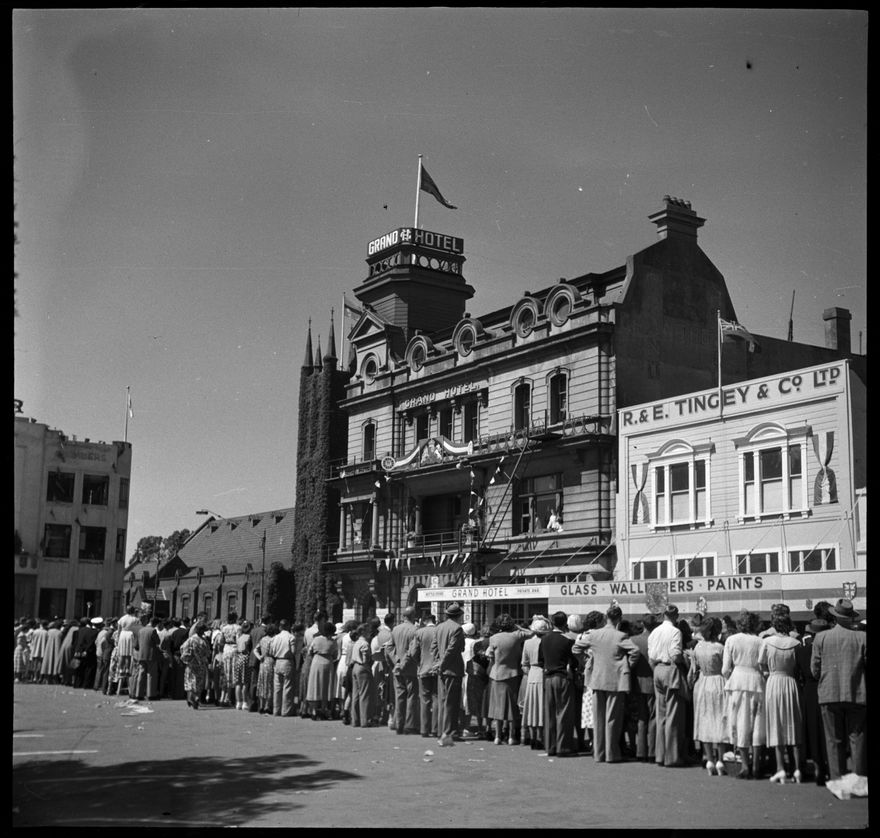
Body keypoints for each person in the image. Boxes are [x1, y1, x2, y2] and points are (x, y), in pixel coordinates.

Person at [573, 604, 640, 763]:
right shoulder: (620, 636)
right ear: (619, 618)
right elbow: (635, 652)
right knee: (612, 719)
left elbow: (576, 648)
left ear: (606, 617)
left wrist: (587, 661)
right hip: (615, 681)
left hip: (596, 679)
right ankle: (611, 754)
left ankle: (599, 753)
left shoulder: (594, 635)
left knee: (598, 719)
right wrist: (627, 666)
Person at [810, 598, 866, 780]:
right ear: (850, 618)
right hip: (856, 692)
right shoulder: (862, 637)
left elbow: (814, 670)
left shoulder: (821, 637)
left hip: (829, 692)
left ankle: (837, 779)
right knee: (857, 738)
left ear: (835, 616)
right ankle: (857, 778)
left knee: (833, 740)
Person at [760, 612, 804, 783]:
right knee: (793, 724)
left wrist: (768, 674)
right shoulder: (796, 643)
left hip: (774, 682)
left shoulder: (767, 642)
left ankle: (780, 768)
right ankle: (798, 768)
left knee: (776, 724)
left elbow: (761, 664)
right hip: (791, 682)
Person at [722, 609, 766, 779]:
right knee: (757, 724)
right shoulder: (760, 641)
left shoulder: (731, 640)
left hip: (738, 681)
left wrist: (730, 676)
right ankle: (756, 766)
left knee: (740, 722)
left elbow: (725, 669)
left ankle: (745, 766)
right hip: (756, 681)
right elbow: (762, 665)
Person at [648, 604, 687, 768]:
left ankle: (660, 754)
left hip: (657, 669)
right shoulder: (675, 632)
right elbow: (675, 654)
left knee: (661, 714)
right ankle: (671, 756)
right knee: (672, 715)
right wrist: (684, 659)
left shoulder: (655, 632)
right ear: (676, 615)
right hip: (670, 668)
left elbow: (651, 655)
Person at [485, 612, 533, 746]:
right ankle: (511, 736)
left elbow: (490, 654)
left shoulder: (494, 638)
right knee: (512, 706)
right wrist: (517, 626)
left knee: (497, 706)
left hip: (496, 673)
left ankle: (498, 736)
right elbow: (532, 632)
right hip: (512, 673)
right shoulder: (516, 635)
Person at [689, 616, 727, 776]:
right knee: (720, 719)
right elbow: (726, 669)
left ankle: (709, 758)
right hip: (718, 681)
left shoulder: (698, 647)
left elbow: (694, 668)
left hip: (703, 682)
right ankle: (720, 759)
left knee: (705, 719)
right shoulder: (720, 647)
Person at [795, 618, 831, 784]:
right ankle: (830, 766)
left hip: (809, 691)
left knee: (813, 730)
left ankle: (817, 767)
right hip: (827, 688)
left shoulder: (802, 651)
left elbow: (799, 673)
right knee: (828, 730)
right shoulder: (829, 650)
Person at [539, 611, 579, 757]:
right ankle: (563, 747)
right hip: (562, 677)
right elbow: (574, 661)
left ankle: (550, 746)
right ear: (565, 623)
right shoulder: (567, 641)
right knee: (564, 713)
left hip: (548, 677)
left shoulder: (544, 639)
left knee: (549, 712)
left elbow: (540, 660)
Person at [431, 602, 466, 747]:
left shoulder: (439, 627)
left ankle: (442, 731)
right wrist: (442, 664)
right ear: (458, 615)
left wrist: (437, 663)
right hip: (452, 669)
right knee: (451, 703)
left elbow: (434, 647)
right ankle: (448, 733)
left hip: (442, 670)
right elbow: (452, 650)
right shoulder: (457, 629)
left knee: (443, 701)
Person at [385, 606, 420, 735]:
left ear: (404, 616)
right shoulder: (415, 630)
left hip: (398, 669)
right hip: (410, 668)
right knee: (411, 696)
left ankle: (399, 725)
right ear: (413, 616)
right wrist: (404, 662)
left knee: (399, 697)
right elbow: (413, 650)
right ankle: (410, 725)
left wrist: (396, 662)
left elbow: (388, 648)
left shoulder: (395, 629)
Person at [521, 617, 550, 749]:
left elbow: (524, 664)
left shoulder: (527, 643)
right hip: (543, 674)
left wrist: (529, 673)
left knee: (531, 707)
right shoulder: (546, 642)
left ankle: (532, 737)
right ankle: (540, 737)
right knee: (541, 707)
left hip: (532, 674)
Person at [408, 613, 439, 738]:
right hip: (437, 668)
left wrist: (419, 662)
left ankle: (424, 729)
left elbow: (413, 652)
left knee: (424, 700)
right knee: (436, 698)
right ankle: (435, 728)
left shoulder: (419, 632)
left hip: (423, 668)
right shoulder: (439, 631)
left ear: (425, 620)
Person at [306, 620, 339, 720]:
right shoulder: (333, 642)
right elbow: (335, 654)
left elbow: (309, 651)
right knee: (326, 687)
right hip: (328, 662)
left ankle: (315, 710)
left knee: (315, 686)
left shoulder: (316, 640)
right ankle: (325, 709)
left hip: (316, 661)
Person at [300, 610, 327, 718]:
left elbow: (305, 645)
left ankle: (304, 708)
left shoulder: (307, 631)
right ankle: (314, 709)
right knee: (315, 685)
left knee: (306, 683)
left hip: (307, 658)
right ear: (321, 620)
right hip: (316, 657)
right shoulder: (320, 631)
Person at [179, 623, 211, 709]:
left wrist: (186, 658)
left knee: (190, 681)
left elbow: (182, 648)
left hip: (191, 663)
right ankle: (196, 697)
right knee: (199, 682)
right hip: (201, 663)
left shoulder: (191, 639)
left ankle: (191, 697)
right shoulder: (204, 640)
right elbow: (208, 652)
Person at [270, 619, 298, 717]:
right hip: (287, 661)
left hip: (277, 661)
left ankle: (276, 710)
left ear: (280, 627)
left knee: (277, 687)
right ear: (288, 626)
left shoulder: (275, 638)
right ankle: (286, 710)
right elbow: (293, 651)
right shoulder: (291, 637)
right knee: (287, 687)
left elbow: (271, 651)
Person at [350, 622, 375, 727]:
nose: (370, 632)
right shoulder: (365, 643)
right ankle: (365, 720)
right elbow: (365, 659)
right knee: (364, 694)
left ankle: (355, 720)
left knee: (355, 695)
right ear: (363, 632)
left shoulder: (356, 642)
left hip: (355, 667)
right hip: (363, 668)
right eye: (368, 630)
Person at [132, 616, 162, 700]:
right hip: (151, 655)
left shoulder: (140, 630)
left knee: (141, 674)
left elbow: (136, 645)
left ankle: (138, 694)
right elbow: (158, 641)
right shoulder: (153, 630)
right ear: (155, 624)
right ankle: (151, 694)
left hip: (141, 655)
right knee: (151, 675)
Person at [217, 612, 241, 707]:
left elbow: (220, 641)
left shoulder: (224, 628)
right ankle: (229, 698)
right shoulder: (238, 628)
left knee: (226, 673)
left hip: (226, 649)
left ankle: (223, 697)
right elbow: (239, 640)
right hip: (234, 649)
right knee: (233, 674)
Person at [254, 622, 278, 715]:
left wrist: (259, 656)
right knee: (269, 684)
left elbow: (255, 649)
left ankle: (261, 705)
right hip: (271, 661)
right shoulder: (273, 640)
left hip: (262, 663)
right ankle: (267, 706)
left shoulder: (263, 639)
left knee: (262, 683)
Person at [233, 621, 253, 711]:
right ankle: (245, 702)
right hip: (245, 658)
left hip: (238, 658)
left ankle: (238, 702)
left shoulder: (240, 637)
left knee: (238, 682)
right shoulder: (249, 637)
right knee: (245, 682)